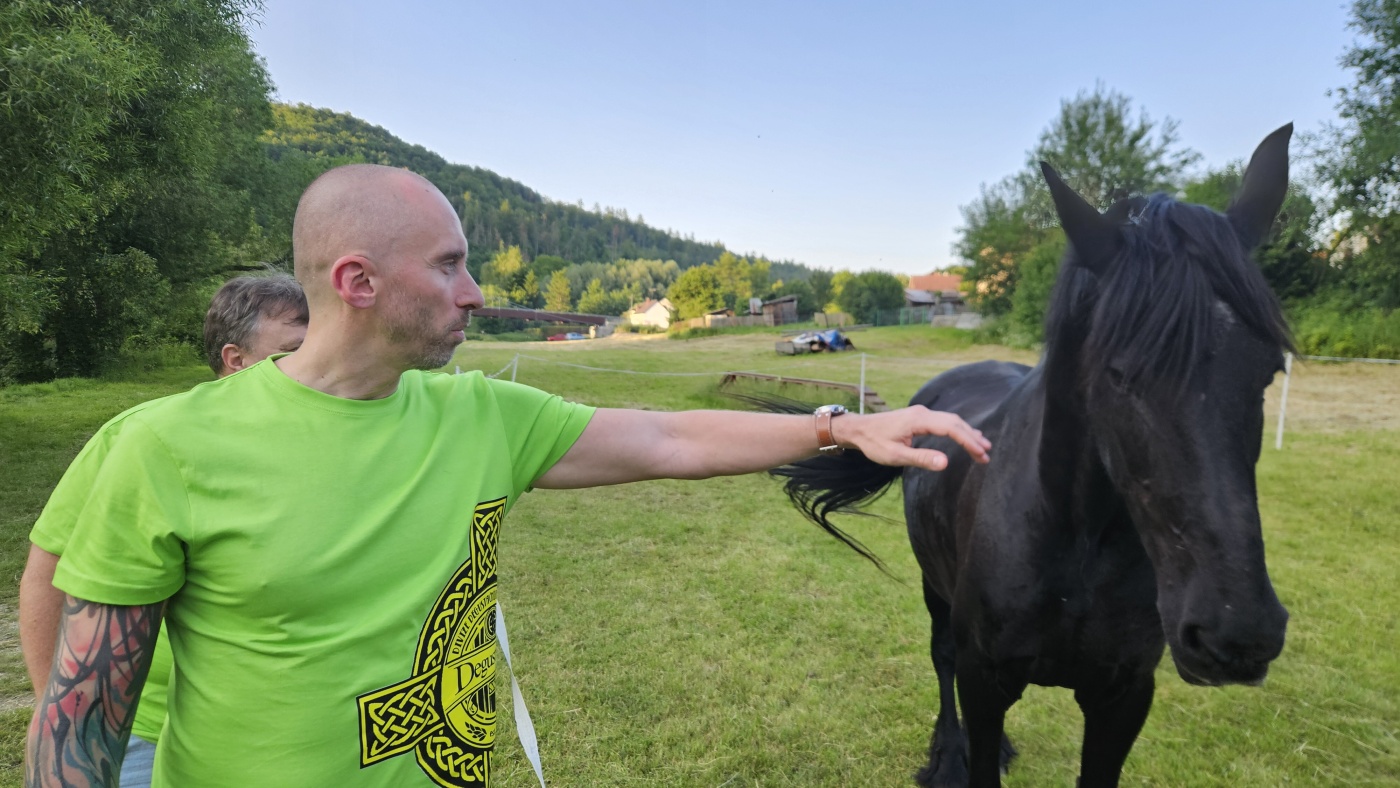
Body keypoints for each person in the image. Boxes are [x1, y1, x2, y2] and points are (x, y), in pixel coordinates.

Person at [24, 164, 991, 788]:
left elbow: (666, 438)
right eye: (449, 266)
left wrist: (841, 426)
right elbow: (80, 723)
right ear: (358, 282)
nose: (475, 293)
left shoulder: (480, 415)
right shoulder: (166, 447)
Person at [19, 274, 309, 787]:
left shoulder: (322, 444)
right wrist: (57, 713)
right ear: (235, 358)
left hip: (276, 734)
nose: (311, 363)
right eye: (293, 350)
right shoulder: (143, 437)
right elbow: (48, 572)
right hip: (145, 731)